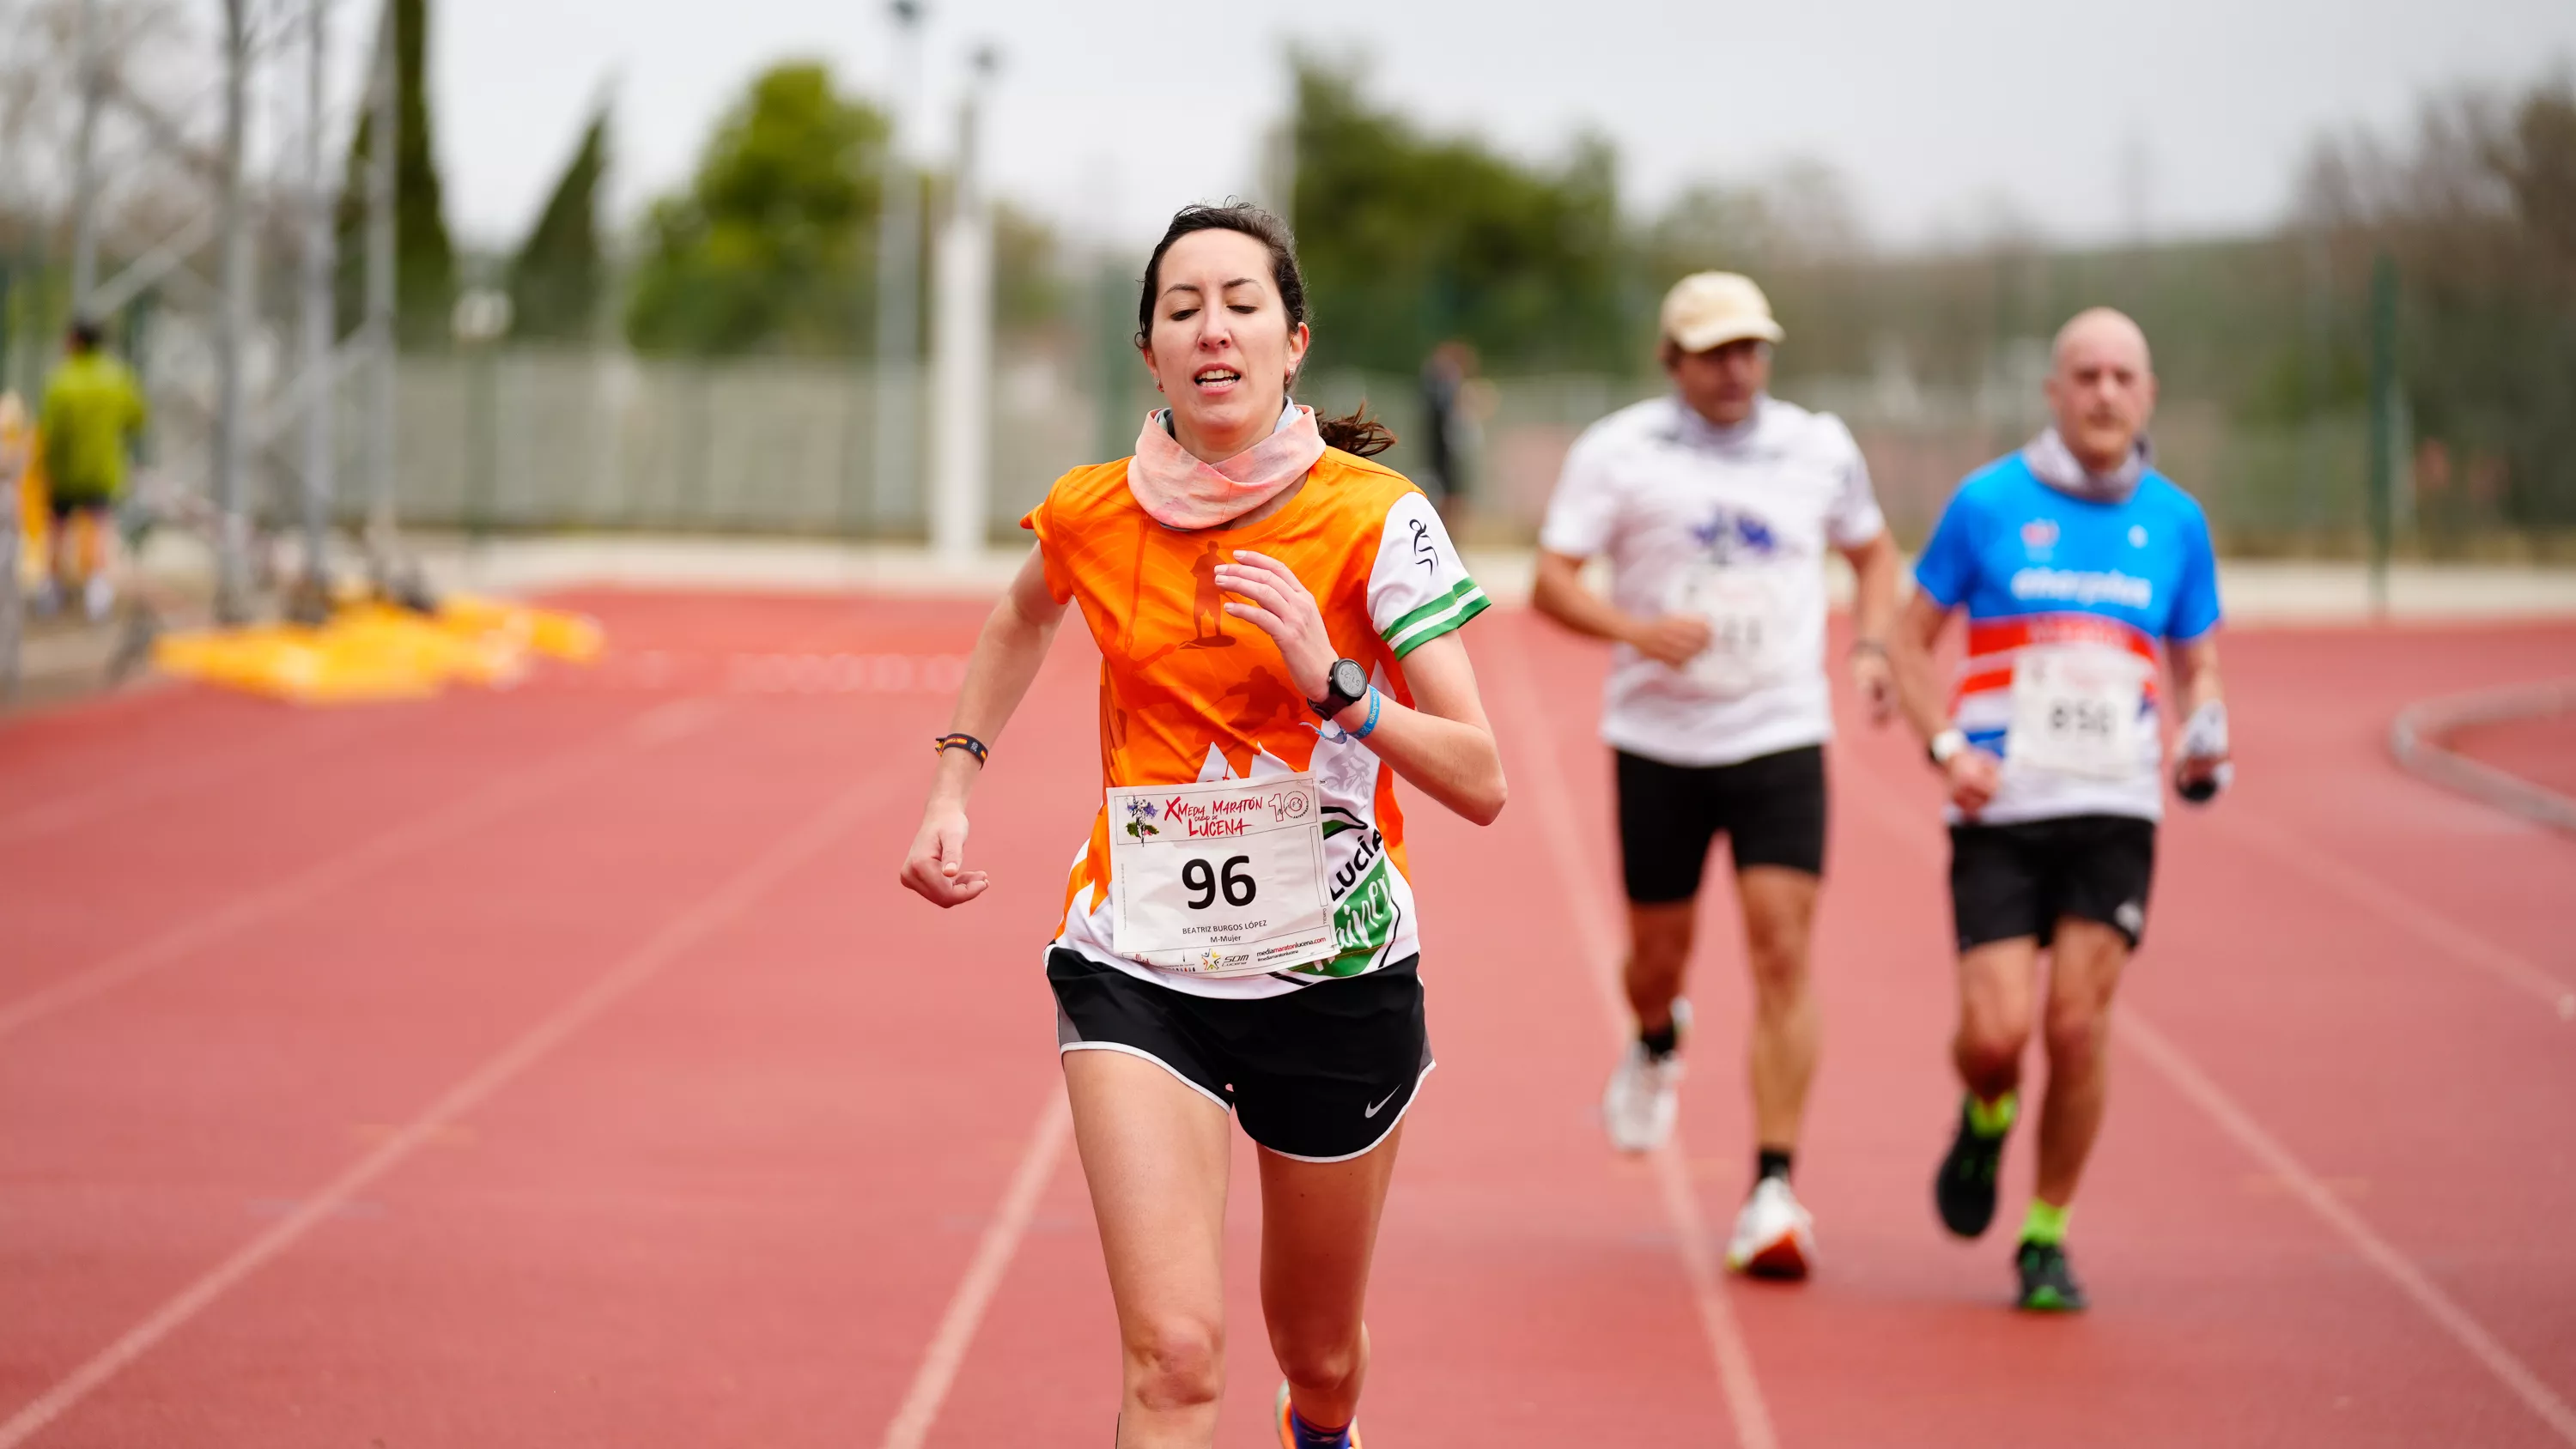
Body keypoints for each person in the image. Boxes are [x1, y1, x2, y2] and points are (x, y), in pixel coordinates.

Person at [900, 203, 1505, 1449]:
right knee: (1173, 1358)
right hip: (1140, 961)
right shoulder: (1094, 510)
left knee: (1321, 1356)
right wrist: (954, 781)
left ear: (1293, 342)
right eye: (1183, 309)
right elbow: (1023, 615)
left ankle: (1322, 1425)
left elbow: (1481, 776)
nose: (1212, 328)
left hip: (1335, 978)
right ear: (1150, 353)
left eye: (1240, 303)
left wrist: (1333, 677)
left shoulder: (1375, 515)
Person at [1531, 271, 1900, 1279]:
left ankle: (1774, 1186)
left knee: (1783, 948)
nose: (1738, 368)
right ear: (1673, 360)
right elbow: (1551, 582)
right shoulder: (1617, 452)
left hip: (1780, 730)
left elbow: (1874, 557)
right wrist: (1636, 629)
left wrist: (1872, 644)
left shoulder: (1818, 447)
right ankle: (1657, 1035)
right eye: (1715, 351)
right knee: (1657, 956)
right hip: (1659, 740)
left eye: (1752, 348)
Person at [1888, 306, 2232, 1313]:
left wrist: (2206, 720)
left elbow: (2196, 652)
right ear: (2054, 390)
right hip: (2000, 809)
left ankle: (2046, 1233)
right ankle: (1986, 1110)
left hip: (2116, 807)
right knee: (1996, 1035)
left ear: (2150, 392)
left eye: (2124, 374)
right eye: (2086, 374)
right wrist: (1946, 748)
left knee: (2078, 1028)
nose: (2105, 392)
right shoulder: (1988, 502)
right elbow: (1909, 642)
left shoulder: (2176, 520)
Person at [37, 318, 147, 622]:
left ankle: (53, 587)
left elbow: (52, 429)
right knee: (99, 526)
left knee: (57, 528)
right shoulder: (118, 377)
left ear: (75, 341)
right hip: (102, 469)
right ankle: (97, 590)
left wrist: (48, 466)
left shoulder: (61, 380)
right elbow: (137, 417)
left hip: (65, 470)